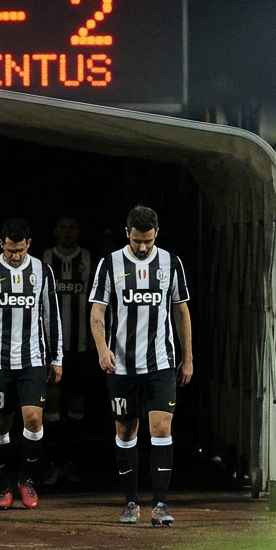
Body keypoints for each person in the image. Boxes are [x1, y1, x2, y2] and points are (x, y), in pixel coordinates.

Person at [89, 205, 193, 527]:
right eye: (137, 241)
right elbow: (96, 312)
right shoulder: (110, 264)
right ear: (127, 234)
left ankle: (160, 505)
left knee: (161, 429)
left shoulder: (171, 263)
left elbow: (181, 310)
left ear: (156, 234)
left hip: (161, 363)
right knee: (125, 431)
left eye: (147, 240)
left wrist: (187, 356)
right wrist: (102, 348)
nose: (143, 247)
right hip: (121, 367)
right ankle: (131, 503)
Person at [0, 218, 62, 509]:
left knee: (33, 419)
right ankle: (3, 486)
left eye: (19, 250)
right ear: (1, 244)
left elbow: (51, 316)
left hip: (32, 360)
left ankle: (27, 479)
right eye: (10, 250)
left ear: (28, 244)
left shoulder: (42, 272)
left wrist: (56, 358)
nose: (15, 256)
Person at [42, 215, 95, 481]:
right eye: (61, 227)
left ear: (78, 230)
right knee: (50, 408)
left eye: (71, 227)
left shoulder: (88, 259)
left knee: (76, 409)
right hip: (51, 350)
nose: (66, 232)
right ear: (54, 230)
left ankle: (73, 464)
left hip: (81, 348)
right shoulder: (43, 260)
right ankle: (52, 464)